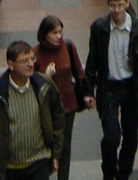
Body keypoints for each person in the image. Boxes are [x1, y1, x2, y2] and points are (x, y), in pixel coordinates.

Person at [84, 0, 138, 180]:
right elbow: (92, 59)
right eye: (113, 6)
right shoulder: (99, 28)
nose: (117, 10)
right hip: (109, 87)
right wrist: (88, 91)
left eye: (120, 5)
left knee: (131, 137)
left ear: (127, 3)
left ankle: (123, 174)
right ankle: (109, 172)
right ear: (108, 5)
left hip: (132, 86)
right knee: (111, 137)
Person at [0, 39, 65, 180]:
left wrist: (55, 154)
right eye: (24, 61)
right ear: (11, 64)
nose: (30, 64)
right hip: (8, 168)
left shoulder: (44, 85)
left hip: (38, 162)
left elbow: (58, 117)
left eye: (32, 59)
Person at [35, 15, 91, 180]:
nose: (59, 36)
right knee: (46, 146)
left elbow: (79, 71)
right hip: (46, 109)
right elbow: (32, 84)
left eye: (60, 32)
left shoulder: (68, 46)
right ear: (45, 34)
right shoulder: (35, 53)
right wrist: (46, 76)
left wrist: (87, 93)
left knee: (65, 147)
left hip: (67, 105)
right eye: (54, 33)